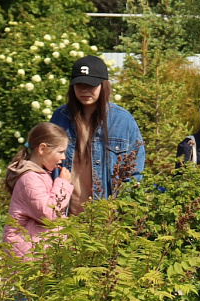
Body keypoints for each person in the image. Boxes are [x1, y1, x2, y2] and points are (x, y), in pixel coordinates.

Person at [49, 55, 145, 213]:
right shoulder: (60, 117)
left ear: (103, 85)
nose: (85, 90)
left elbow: (134, 174)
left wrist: (119, 211)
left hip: (105, 217)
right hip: (64, 215)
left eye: (91, 85)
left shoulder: (123, 121)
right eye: (79, 84)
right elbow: (42, 159)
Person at [2, 122, 74, 258]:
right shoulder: (29, 178)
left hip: (36, 251)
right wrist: (63, 183)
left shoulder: (40, 175)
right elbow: (49, 214)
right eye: (60, 151)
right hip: (27, 255)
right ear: (42, 149)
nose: (63, 157)